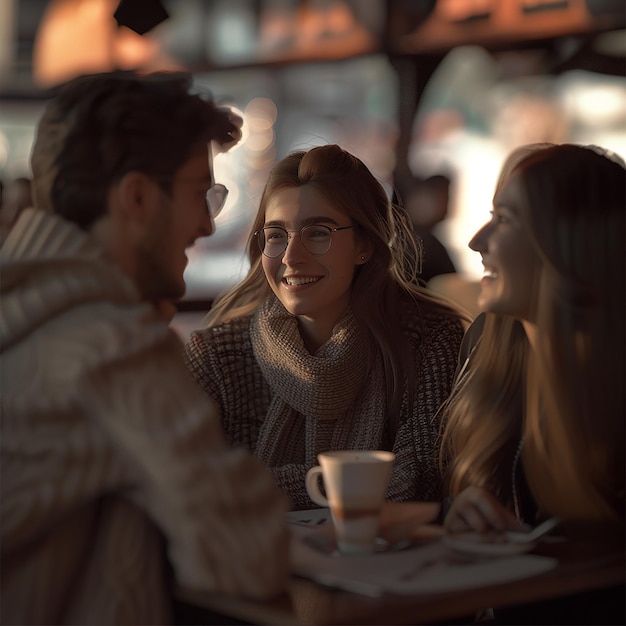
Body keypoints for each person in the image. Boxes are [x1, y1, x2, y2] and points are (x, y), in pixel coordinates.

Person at [0, 71, 289, 626]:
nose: (206, 223)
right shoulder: (112, 346)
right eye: (197, 193)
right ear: (136, 196)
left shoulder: (30, 311)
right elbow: (248, 556)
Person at [184, 144, 467, 511]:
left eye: (317, 233)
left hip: (393, 562)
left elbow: (421, 480)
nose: (290, 256)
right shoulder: (217, 357)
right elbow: (196, 487)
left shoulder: (430, 339)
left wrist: (256, 485)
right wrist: (359, 484)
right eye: (276, 235)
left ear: (364, 244)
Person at [439, 143, 625, 623]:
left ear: (567, 242)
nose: (478, 241)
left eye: (505, 220)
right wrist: (467, 519)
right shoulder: (486, 346)